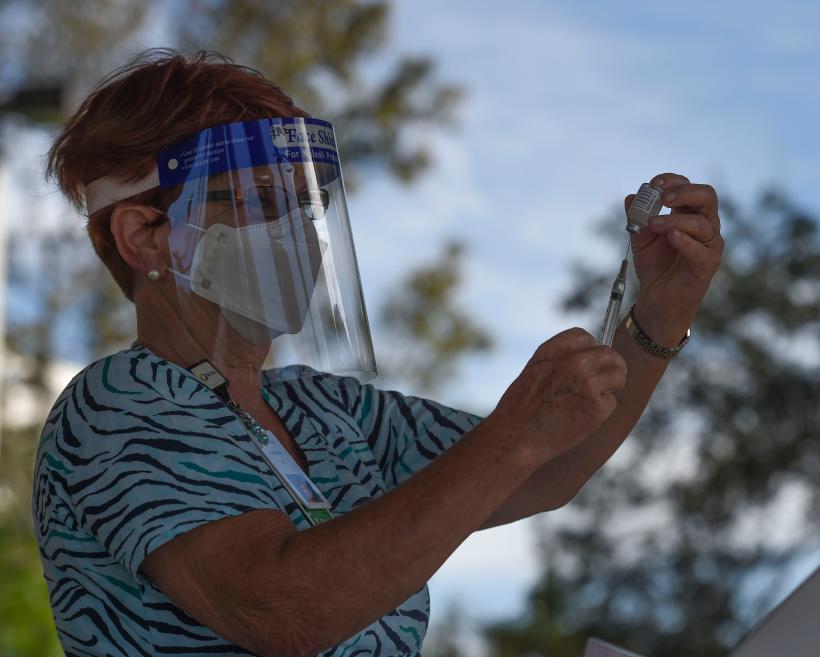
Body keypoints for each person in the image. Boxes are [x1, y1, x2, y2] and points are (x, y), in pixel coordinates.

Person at [32, 50, 723, 657]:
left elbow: (548, 466)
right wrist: (514, 434)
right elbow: (283, 611)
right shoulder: (119, 402)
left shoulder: (324, 408)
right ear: (146, 236)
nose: (298, 229)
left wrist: (657, 314)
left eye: (304, 203)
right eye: (265, 199)